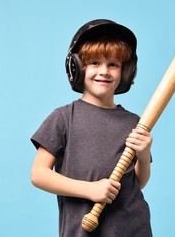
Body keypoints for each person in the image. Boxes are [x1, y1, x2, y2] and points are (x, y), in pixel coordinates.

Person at [30, 19, 153, 236]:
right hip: (84, 230)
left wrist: (143, 156)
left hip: (133, 228)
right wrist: (90, 189)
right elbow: (39, 174)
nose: (104, 71)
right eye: (94, 63)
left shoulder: (135, 121)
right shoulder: (64, 118)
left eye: (113, 64)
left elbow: (138, 183)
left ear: (125, 72)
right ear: (77, 67)